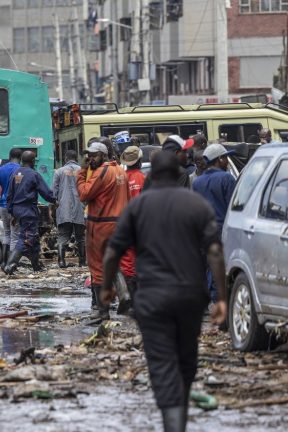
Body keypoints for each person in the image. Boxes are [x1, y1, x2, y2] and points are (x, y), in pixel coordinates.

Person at [100, 150, 227, 432]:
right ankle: (178, 420)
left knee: (161, 361)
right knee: (186, 358)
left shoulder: (138, 207)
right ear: (180, 172)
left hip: (153, 298)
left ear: (152, 175)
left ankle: (173, 423)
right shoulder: (196, 204)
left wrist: (107, 288)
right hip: (190, 298)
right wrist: (223, 298)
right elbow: (215, 252)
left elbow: (112, 253)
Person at [77, 141, 130, 323]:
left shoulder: (101, 172)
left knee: (98, 268)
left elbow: (84, 193)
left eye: (94, 155)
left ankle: (102, 310)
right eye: (89, 156)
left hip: (101, 225)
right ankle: (124, 296)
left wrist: (82, 172)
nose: (90, 159)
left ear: (103, 155)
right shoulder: (120, 171)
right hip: (118, 223)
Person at [192, 143, 237, 302]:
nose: (227, 161)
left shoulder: (197, 182)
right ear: (219, 159)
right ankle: (219, 303)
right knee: (219, 268)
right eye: (225, 157)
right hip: (221, 230)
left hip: (202, 231)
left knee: (207, 268)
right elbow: (233, 208)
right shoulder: (227, 178)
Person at [4, 150, 56, 274]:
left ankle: (36, 266)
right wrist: (54, 200)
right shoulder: (34, 175)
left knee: (34, 238)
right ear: (33, 161)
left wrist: (12, 213)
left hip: (17, 209)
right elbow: (45, 192)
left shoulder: (16, 173)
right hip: (28, 210)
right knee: (26, 238)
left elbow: (10, 194)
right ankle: (9, 265)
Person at [116, 145, 145, 313]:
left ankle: (128, 296)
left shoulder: (120, 178)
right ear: (139, 161)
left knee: (126, 261)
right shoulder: (143, 178)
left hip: (123, 224)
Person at [52, 149, 85, 268]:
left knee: (63, 236)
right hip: (80, 207)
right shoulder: (82, 171)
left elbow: (54, 191)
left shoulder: (59, 172)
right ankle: (82, 262)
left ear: (65, 158)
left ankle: (61, 261)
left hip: (63, 208)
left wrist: (54, 205)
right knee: (80, 237)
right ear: (76, 158)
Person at [0, 148, 22, 267]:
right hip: (15, 206)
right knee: (15, 235)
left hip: (3, 205)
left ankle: (4, 262)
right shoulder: (19, 170)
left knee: (7, 233)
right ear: (20, 157)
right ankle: (12, 263)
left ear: (9, 156)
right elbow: (19, 188)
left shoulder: (2, 169)